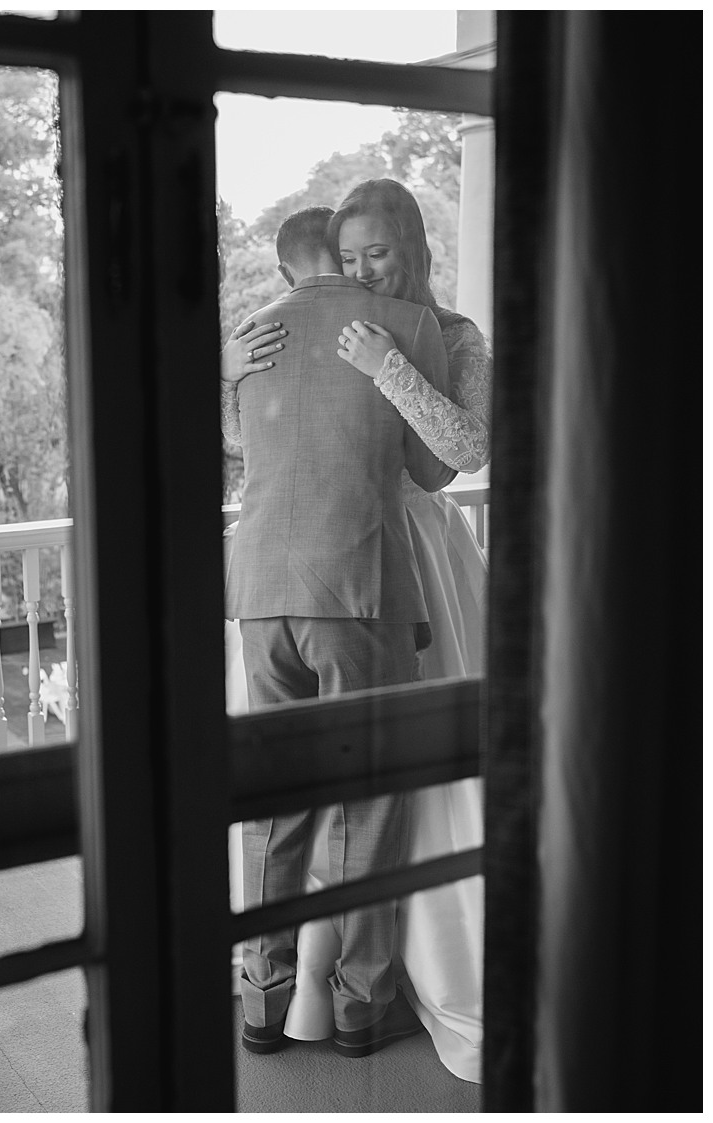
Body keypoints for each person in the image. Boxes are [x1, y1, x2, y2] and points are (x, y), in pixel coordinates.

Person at [223, 181, 492, 1084]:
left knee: (289, 796)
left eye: (378, 252)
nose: (363, 268)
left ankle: (276, 991)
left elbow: (461, 451)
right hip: (363, 573)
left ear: (411, 244)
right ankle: (346, 1000)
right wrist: (230, 370)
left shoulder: (444, 333)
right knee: (362, 796)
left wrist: (387, 365)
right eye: (349, 254)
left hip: (346, 568)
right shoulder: (299, 328)